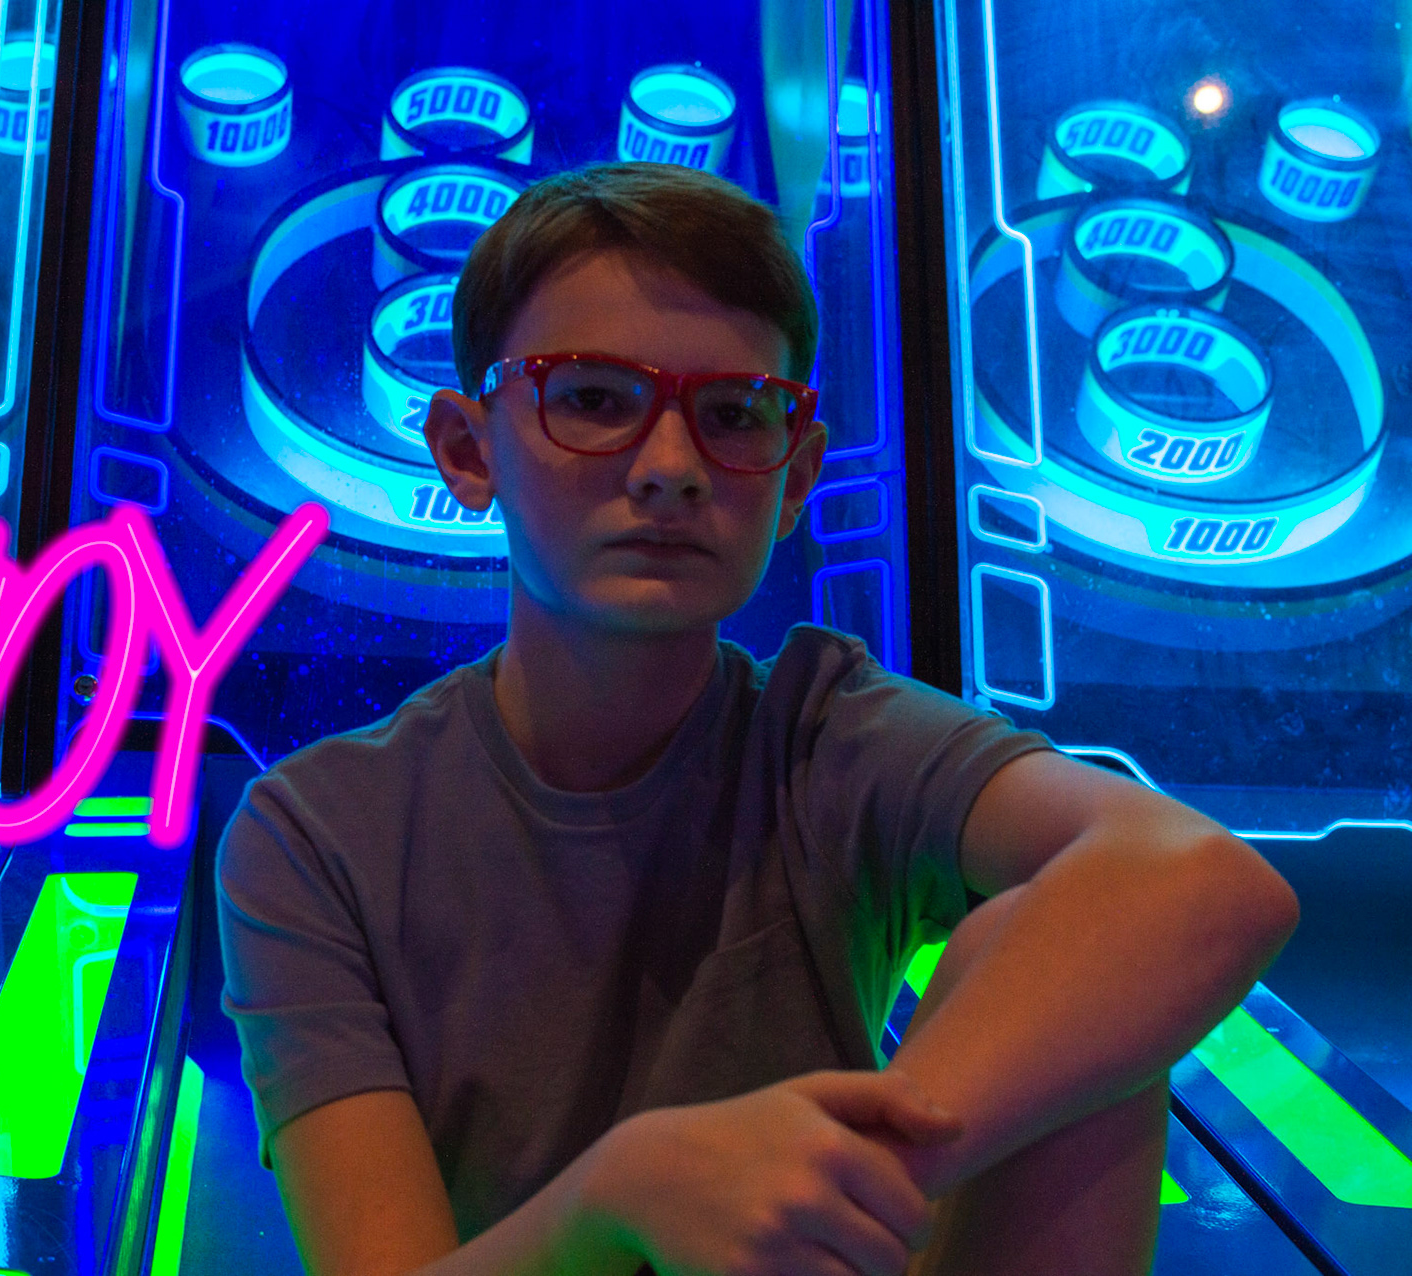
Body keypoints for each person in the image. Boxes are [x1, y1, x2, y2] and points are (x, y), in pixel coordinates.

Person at [215, 162, 1299, 1276]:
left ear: (795, 477)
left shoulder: (826, 731)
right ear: (466, 448)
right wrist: (623, 1196)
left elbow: (1207, 882)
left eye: (733, 416)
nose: (671, 469)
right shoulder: (316, 836)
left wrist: (836, 1170)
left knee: (1070, 973)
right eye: (593, 399)